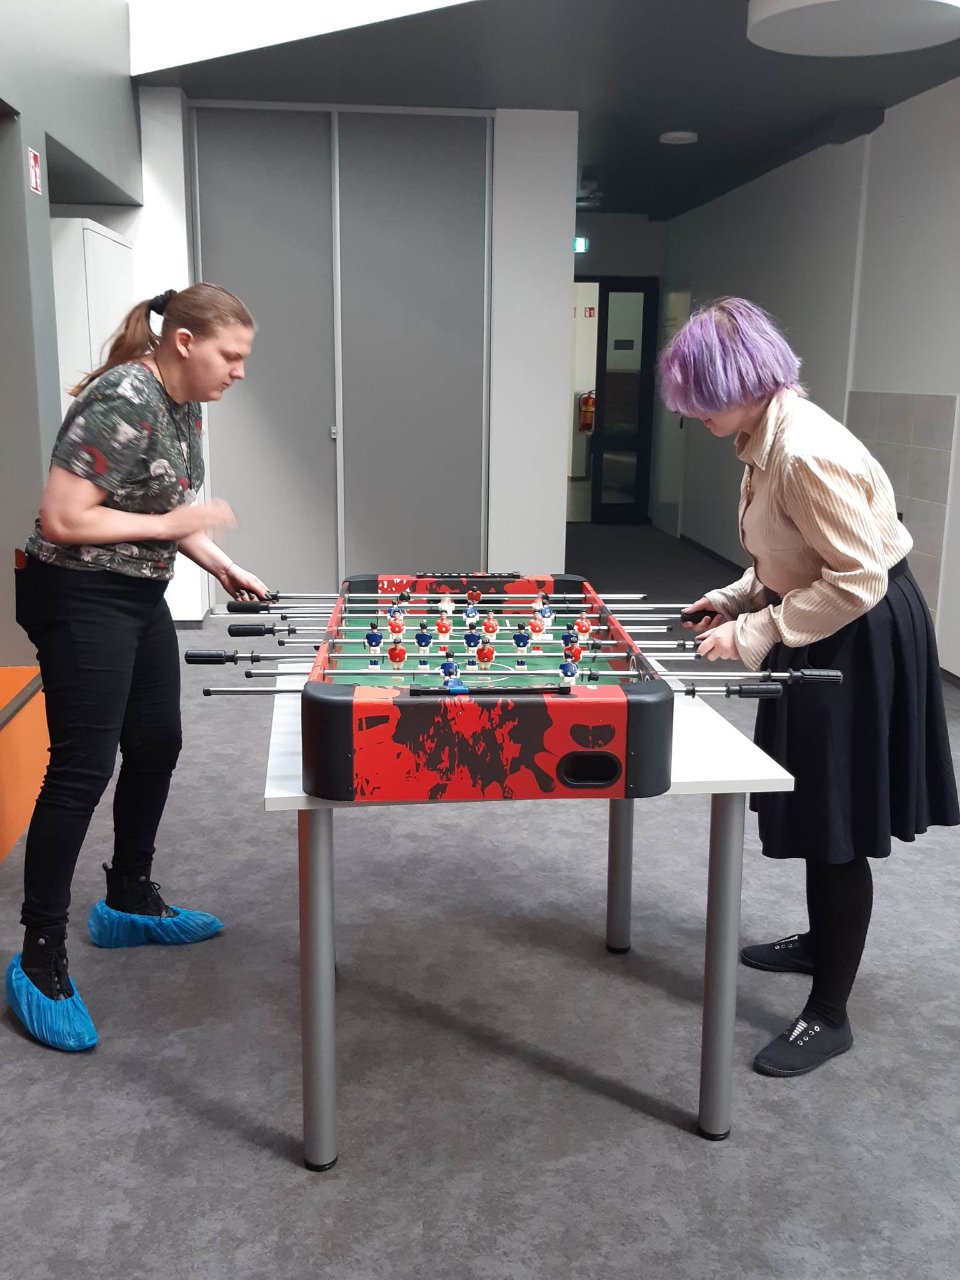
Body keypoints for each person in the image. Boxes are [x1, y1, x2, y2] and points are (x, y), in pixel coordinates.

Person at [659, 297, 959, 1078]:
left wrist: (754, 633)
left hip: (857, 632)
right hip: (826, 617)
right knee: (816, 803)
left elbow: (855, 579)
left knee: (837, 819)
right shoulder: (766, 435)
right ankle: (823, 942)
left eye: (701, 397)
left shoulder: (802, 453)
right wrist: (735, 599)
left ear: (743, 382)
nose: (692, 411)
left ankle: (830, 1014)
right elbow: (792, 553)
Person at [7, 283, 270, 1053]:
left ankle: (127, 898)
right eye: (232, 355)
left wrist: (219, 563)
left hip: (134, 587)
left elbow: (162, 507)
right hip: (77, 593)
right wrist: (176, 523)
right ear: (185, 342)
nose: (239, 372)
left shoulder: (184, 403)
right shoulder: (123, 397)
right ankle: (39, 956)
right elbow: (63, 516)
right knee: (82, 768)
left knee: (156, 742)